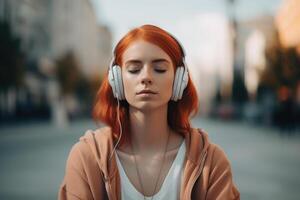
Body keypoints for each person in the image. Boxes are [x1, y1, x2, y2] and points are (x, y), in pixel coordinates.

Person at [58, 24, 240, 200]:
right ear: (117, 81)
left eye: (159, 69)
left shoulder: (210, 162)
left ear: (179, 80)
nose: (146, 77)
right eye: (134, 69)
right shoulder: (86, 157)